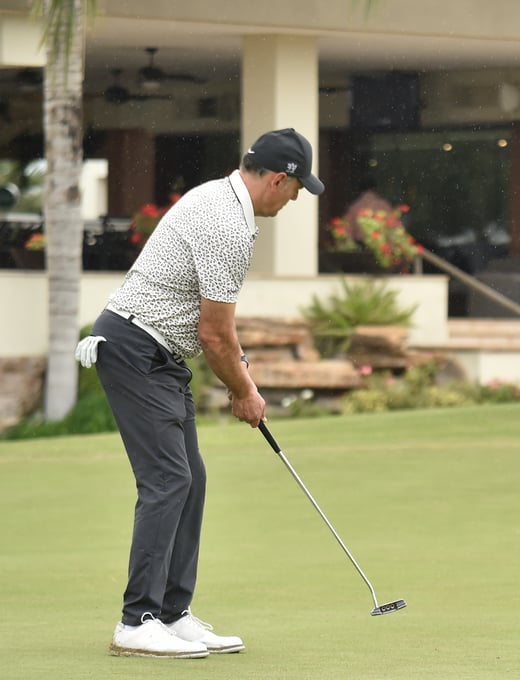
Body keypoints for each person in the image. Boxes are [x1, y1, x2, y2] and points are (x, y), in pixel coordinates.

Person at [74, 128, 324, 658]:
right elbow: (213, 335)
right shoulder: (226, 223)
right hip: (135, 347)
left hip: (159, 353)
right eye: (297, 189)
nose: (296, 199)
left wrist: (240, 371)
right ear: (278, 180)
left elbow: (215, 329)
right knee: (168, 479)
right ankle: (137, 621)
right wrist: (245, 391)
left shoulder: (222, 200)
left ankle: (172, 613)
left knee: (191, 479)